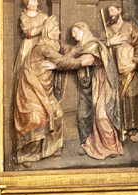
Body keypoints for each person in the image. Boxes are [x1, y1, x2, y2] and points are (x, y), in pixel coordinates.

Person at [14, 14, 68, 165]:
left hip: (45, 91)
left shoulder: (54, 45)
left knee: (58, 113)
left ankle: (52, 147)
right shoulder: (44, 47)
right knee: (36, 119)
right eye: (56, 29)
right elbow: (63, 61)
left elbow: (67, 51)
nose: (59, 32)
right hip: (31, 90)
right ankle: (26, 154)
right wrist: (81, 62)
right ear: (49, 31)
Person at [67, 23, 123, 160]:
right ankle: (93, 143)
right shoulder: (80, 46)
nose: (73, 35)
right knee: (88, 114)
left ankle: (112, 146)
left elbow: (86, 59)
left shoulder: (92, 45)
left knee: (102, 114)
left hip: (104, 80)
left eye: (75, 31)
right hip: (93, 81)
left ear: (83, 30)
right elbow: (68, 57)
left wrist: (71, 60)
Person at [104, 5, 138, 142]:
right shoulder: (106, 30)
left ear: (119, 10)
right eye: (109, 12)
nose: (111, 14)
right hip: (113, 70)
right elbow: (98, 47)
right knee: (115, 98)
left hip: (130, 69)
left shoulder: (131, 27)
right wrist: (109, 42)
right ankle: (119, 127)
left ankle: (133, 128)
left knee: (131, 96)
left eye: (112, 11)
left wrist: (134, 63)